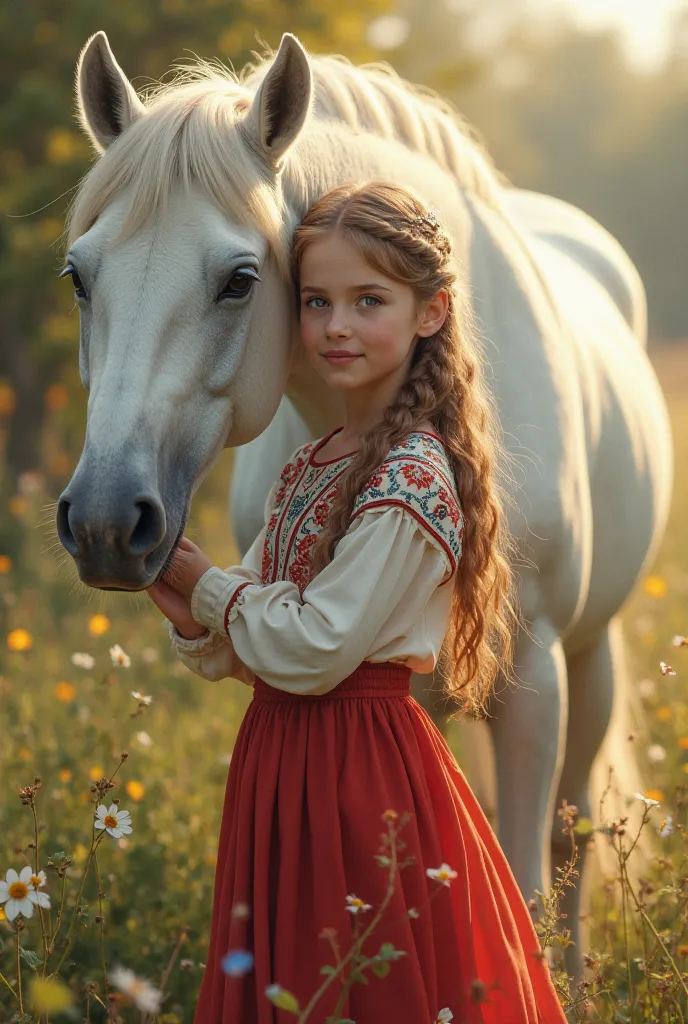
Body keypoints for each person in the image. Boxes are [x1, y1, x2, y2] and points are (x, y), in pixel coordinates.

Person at [146, 181, 567, 1024]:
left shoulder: (412, 473)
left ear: (430, 312)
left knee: (361, 982)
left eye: (368, 300)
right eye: (316, 302)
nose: (336, 325)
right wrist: (184, 602)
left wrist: (209, 586)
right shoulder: (310, 463)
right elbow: (253, 639)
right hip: (283, 761)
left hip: (359, 772)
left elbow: (314, 646)